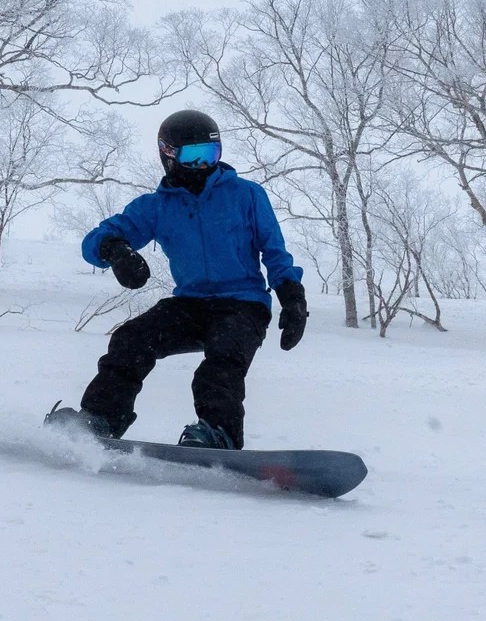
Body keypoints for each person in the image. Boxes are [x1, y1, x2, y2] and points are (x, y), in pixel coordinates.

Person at [46, 109, 308, 449]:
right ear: (168, 155)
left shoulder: (246, 195)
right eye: (193, 156)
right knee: (131, 339)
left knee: (222, 361)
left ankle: (218, 434)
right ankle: (100, 419)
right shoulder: (157, 206)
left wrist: (292, 296)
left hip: (243, 305)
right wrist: (115, 251)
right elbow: (95, 240)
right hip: (190, 305)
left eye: (211, 154)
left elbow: (274, 251)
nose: (203, 165)